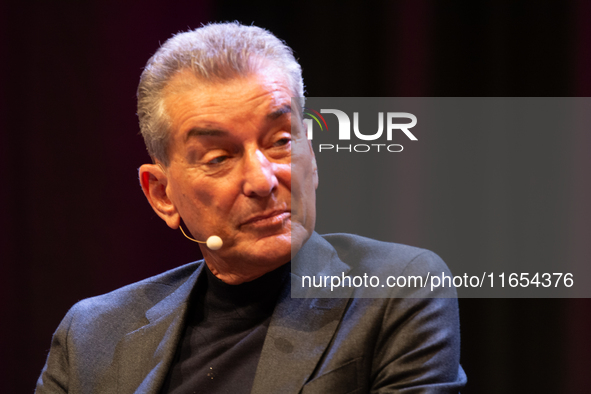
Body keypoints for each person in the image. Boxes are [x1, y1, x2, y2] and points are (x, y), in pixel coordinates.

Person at [36, 22, 466, 393]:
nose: (262, 180)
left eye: (281, 141)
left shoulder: (396, 289)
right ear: (162, 195)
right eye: (219, 158)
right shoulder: (91, 334)